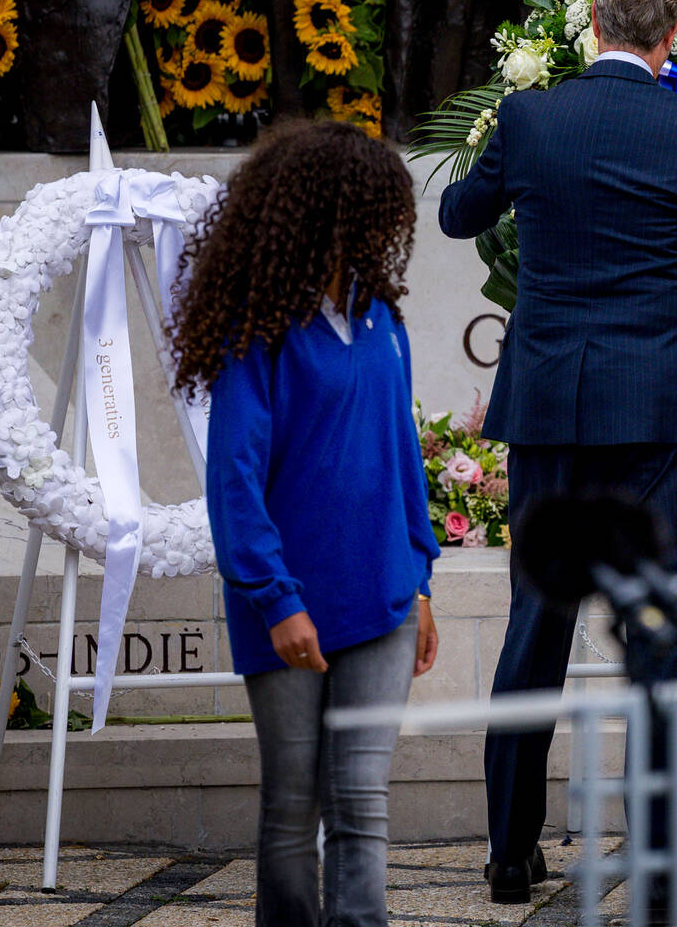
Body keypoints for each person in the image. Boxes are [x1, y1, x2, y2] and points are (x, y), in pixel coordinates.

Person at [439, 0, 677, 922]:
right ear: (673, 31)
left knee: (537, 621)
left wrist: (510, 172)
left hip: (553, 405)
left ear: (594, 20)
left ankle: (508, 851)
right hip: (658, 408)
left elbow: (456, 215)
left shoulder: (531, 116)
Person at [170, 120, 443, 927]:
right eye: (373, 211)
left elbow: (403, 456)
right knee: (292, 805)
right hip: (286, 607)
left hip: (384, 600)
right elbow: (234, 481)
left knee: (361, 801)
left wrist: (420, 578)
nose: (385, 229)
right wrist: (276, 598)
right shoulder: (256, 330)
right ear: (326, 212)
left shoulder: (381, 317)